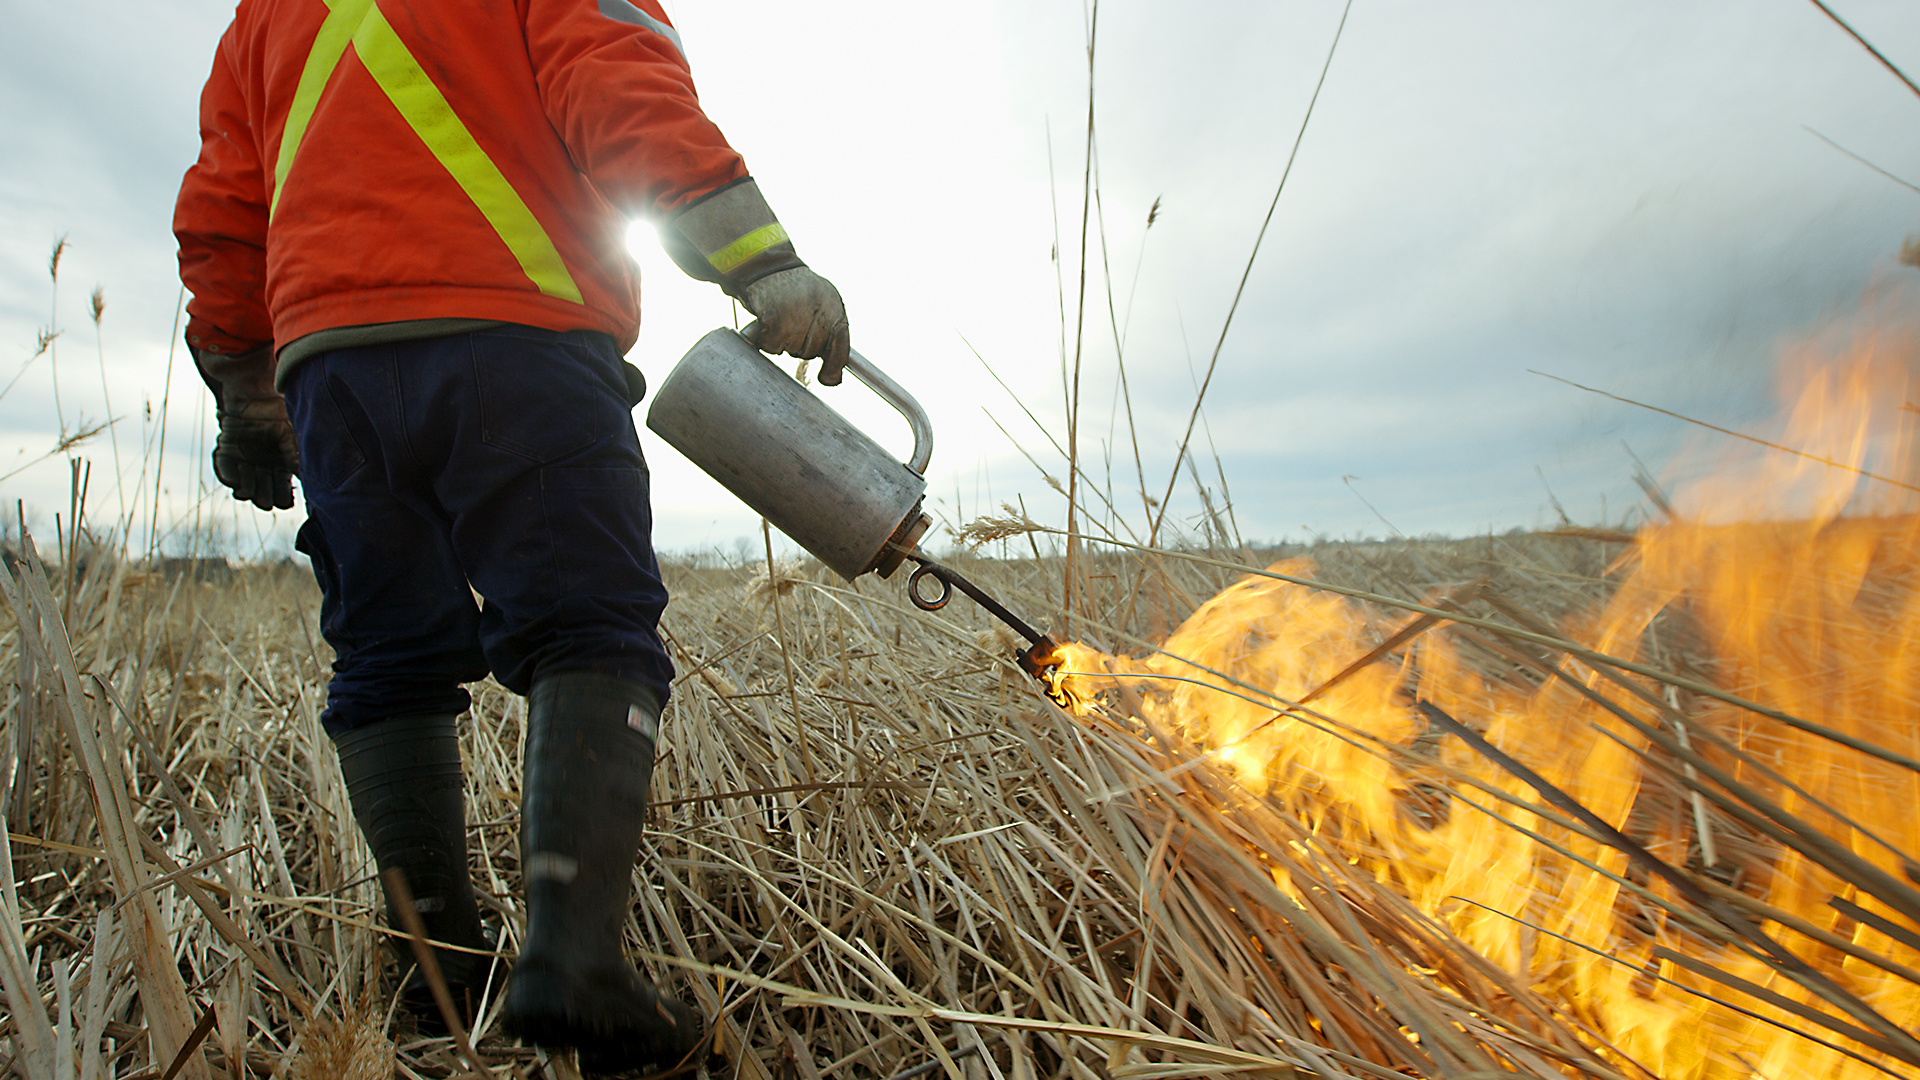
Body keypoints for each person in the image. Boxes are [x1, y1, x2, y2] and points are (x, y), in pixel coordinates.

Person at [173, 0, 849, 1069]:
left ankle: (436, 974)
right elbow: (618, 86)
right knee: (591, 630)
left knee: (387, 660)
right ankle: (573, 962)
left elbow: (220, 209)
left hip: (331, 372)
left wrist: (249, 399)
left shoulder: (266, 12)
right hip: (518, 334)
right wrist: (758, 258)